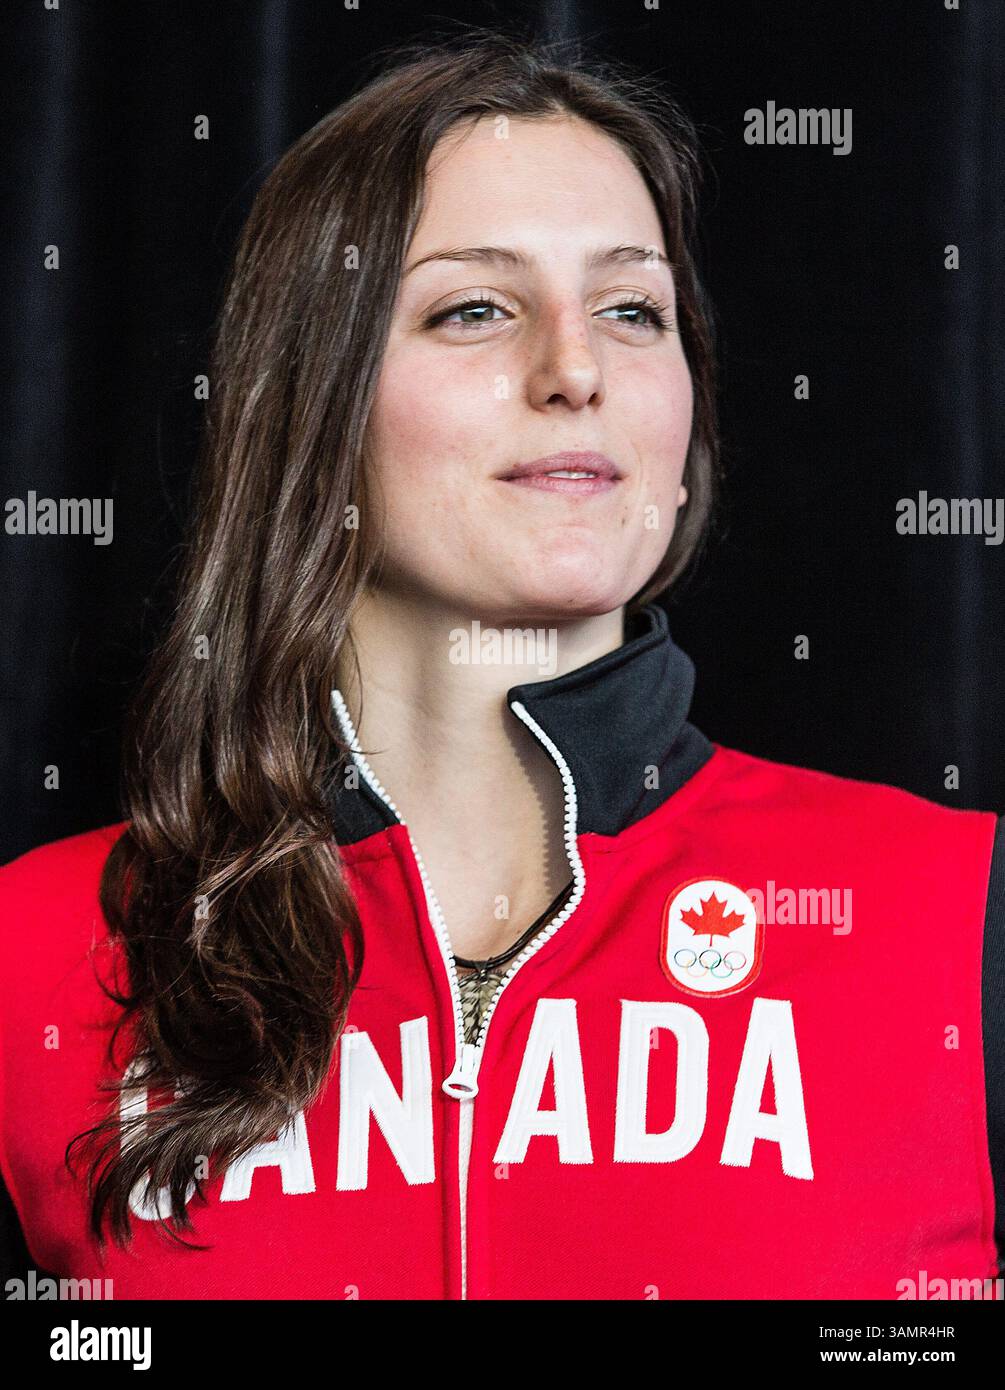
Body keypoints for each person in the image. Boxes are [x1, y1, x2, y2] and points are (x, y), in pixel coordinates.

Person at [1, 31, 1002, 1302]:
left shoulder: (959, 915)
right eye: (476, 307)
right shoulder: (34, 953)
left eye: (632, 309)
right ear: (311, 390)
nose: (576, 370)